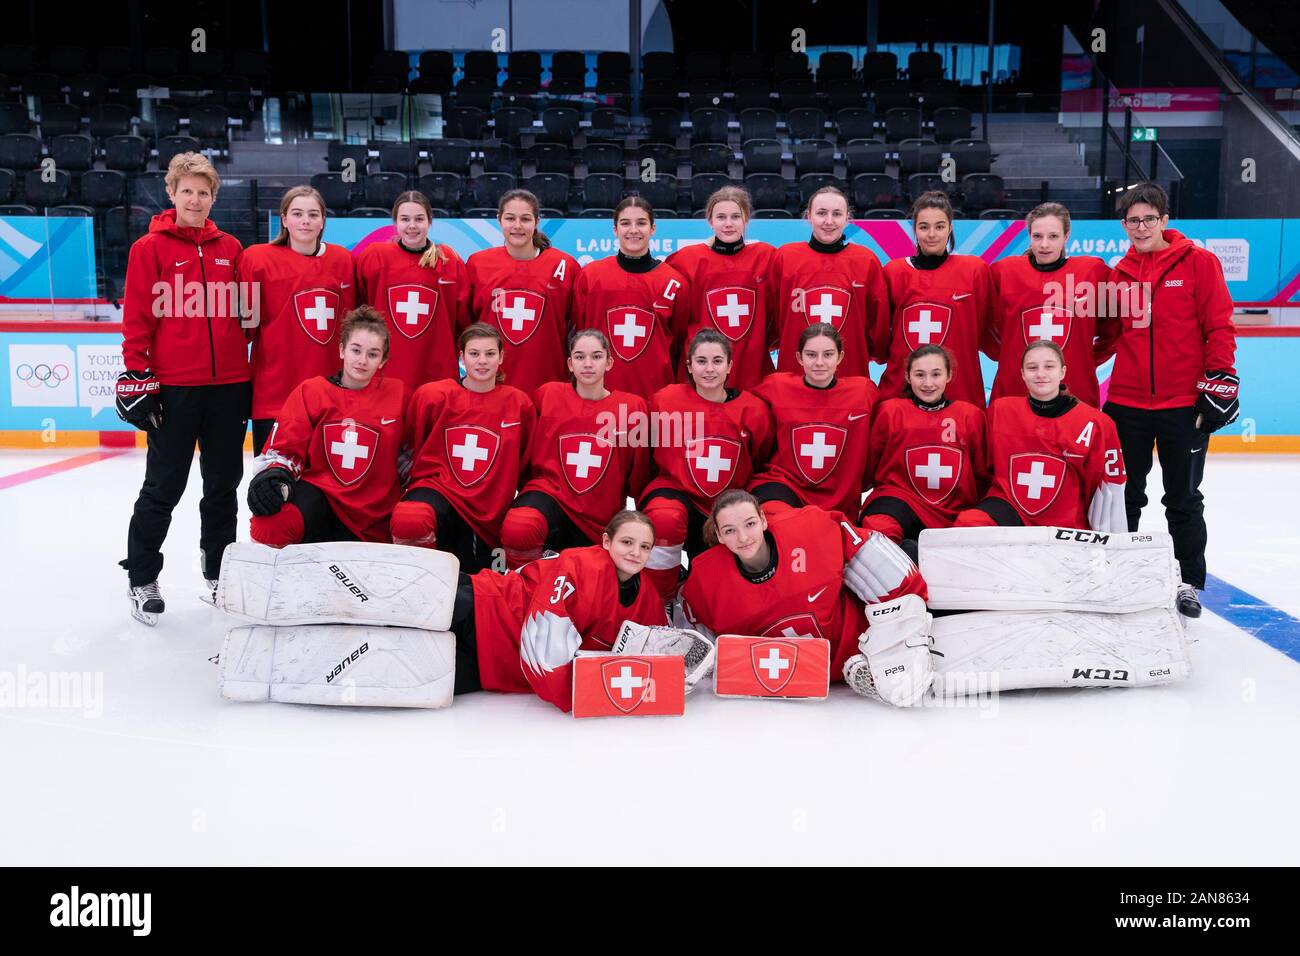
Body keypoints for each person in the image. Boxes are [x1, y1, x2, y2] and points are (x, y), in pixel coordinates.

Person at [116, 152, 249, 624]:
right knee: (163, 486)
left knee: (222, 487)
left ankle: (218, 573)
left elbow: (246, 317)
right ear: (171, 194)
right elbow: (136, 321)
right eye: (186, 190)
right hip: (175, 388)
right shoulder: (148, 249)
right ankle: (142, 578)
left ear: (214, 197)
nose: (195, 199)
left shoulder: (231, 248)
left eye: (204, 191)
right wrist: (137, 376)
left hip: (230, 386)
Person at [1099, 182, 1239, 618]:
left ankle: (1188, 582)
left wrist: (1221, 381)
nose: (1141, 227)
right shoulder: (1118, 274)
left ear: (1164, 220)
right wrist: (1068, 364)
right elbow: (1110, 338)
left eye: (1149, 219)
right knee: (1124, 496)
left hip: (1183, 403)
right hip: (1127, 402)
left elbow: (1219, 327)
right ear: (1124, 225)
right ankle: (1125, 578)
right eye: (1133, 221)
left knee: (1182, 498)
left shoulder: (1199, 263)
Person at [678, 491, 927, 678]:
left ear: (764, 521)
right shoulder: (706, 579)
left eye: (750, 524)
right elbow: (712, 655)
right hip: (789, 675)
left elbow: (899, 581)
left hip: (860, 651)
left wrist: (896, 642)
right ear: (719, 535)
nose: (743, 537)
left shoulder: (809, 531)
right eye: (730, 530)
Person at [448, 510, 669, 712]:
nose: (635, 552)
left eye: (645, 546)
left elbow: (658, 658)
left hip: (497, 662)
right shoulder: (582, 565)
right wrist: (580, 697)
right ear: (606, 541)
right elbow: (545, 641)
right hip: (483, 606)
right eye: (627, 542)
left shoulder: (649, 600)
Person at [246, 306, 404, 546]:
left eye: (373, 354)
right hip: (322, 498)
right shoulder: (312, 392)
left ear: (383, 360)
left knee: (413, 519)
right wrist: (275, 474)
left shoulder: (398, 395)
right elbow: (285, 448)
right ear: (341, 350)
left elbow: (411, 456)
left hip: (376, 511)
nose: (362, 360)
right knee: (270, 522)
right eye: (355, 350)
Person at [638, 329, 774, 600]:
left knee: (713, 582)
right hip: (676, 491)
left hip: (727, 500)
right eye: (701, 361)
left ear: (729, 366)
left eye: (717, 361)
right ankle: (658, 598)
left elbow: (760, 458)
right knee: (665, 518)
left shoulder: (753, 409)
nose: (709, 369)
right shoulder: (665, 401)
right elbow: (647, 452)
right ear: (688, 366)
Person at [391, 323, 535, 572]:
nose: (482, 361)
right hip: (439, 491)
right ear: (462, 357)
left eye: (490, 354)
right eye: (474, 353)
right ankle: (417, 583)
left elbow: (526, 461)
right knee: (410, 518)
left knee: (475, 576)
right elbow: (409, 447)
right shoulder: (433, 396)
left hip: (490, 506)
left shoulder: (519, 404)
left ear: (501, 357)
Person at [500, 329, 651, 568]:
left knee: (589, 581)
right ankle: (522, 588)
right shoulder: (547, 395)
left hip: (599, 514)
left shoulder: (631, 408)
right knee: (521, 525)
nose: (588, 364)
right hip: (551, 494)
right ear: (570, 364)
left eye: (596, 356)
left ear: (609, 362)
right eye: (580, 357)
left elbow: (639, 473)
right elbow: (526, 452)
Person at [955, 341, 1126, 532]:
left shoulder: (1096, 423)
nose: (1040, 374)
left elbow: (1108, 489)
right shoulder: (1001, 411)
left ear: (1062, 372)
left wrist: (1109, 542)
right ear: (1022, 374)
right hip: (1011, 506)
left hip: (1065, 517)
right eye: (1032, 368)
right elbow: (982, 468)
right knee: (969, 523)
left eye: (1049, 366)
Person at [240, 185, 357, 454]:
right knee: (270, 485)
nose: (305, 220)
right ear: (284, 219)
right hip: (274, 395)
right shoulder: (257, 260)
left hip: (331, 395)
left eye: (313, 214)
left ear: (323, 221)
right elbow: (243, 329)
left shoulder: (343, 260)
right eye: (297, 213)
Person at [860, 344, 989, 545]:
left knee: (974, 529)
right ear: (908, 376)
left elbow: (982, 473)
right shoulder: (890, 412)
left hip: (954, 509)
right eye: (920, 375)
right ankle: (906, 566)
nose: (928, 383)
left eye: (936, 374)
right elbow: (869, 466)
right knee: (878, 528)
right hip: (901, 500)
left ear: (949, 375)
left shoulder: (970, 416)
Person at [879, 191, 996, 408]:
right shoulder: (893, 272)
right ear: (914, 229)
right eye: (924, 227)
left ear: (950, 227)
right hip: (901, 391)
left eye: (939, 226)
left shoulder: (974, 271)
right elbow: (881, 337)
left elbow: (983, 331)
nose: (931, 234)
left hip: (960, 391)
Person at [749, 323, 879, 517]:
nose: (819, 362)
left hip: (839, 496)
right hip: (784, 485)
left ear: (840, 357)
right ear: (799, 358)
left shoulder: (863, 393)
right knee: (776, 518)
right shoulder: (775, 387)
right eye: (811, 355)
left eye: (828, 354)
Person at [988, 202, 1111, 407]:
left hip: (1075, 391)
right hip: (1015, 390)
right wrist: (1008, 355)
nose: (1044, 244)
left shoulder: (1092, 272)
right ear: (1029, 236)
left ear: (1066, 236)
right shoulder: (1004, 272)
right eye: (1037, 236)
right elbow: (982, 323)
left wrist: (1088, 359)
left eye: (1053, 236)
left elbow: (1115, 325)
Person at [571, 197, 691, 399]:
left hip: (655, 394)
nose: (633, 230)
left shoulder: (674, 282)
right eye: (625, 223)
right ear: (615, 230)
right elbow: (579, 332)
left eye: (641, 223)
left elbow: (680, 343)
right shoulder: (590, 276)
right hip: (600, 394)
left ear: (653, 229)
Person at [465, 189, 580, 395]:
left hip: (548, 383)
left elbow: (577, 328)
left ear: (537, 221)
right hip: (491, 385)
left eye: (525, 219)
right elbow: (465, 324)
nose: (517, 226)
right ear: (499, 220)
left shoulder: (564, 266)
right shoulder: (478, 263)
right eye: (510, 218)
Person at [353, 191, 469, 393]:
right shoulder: (375, 257)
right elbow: (358, 308)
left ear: (430, 221)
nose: (412, 226)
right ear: (395, 222)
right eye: (405, 219)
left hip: (436, 371)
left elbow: (464, 319)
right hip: (386, 369)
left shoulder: (448, 261)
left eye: (419, 219)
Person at [769, 185, 888, 378]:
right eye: (821, 213)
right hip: (794, 373)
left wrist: (875, 351)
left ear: (848, 218)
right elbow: (771, 314)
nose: (829, 221)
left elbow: (878, 321)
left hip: (850, 373)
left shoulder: (866, 260)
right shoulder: (785, 257)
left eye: (837, 214)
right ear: (809, 216)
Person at [664, 186, 777, 388]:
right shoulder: (686, 260)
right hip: (702, 368)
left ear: (746, 220)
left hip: (751, 367)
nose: (728, 224)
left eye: (735, 217)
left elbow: (777, 311)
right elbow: (674, 320)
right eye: (721, 217)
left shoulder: (766, 257)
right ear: (710, 221)